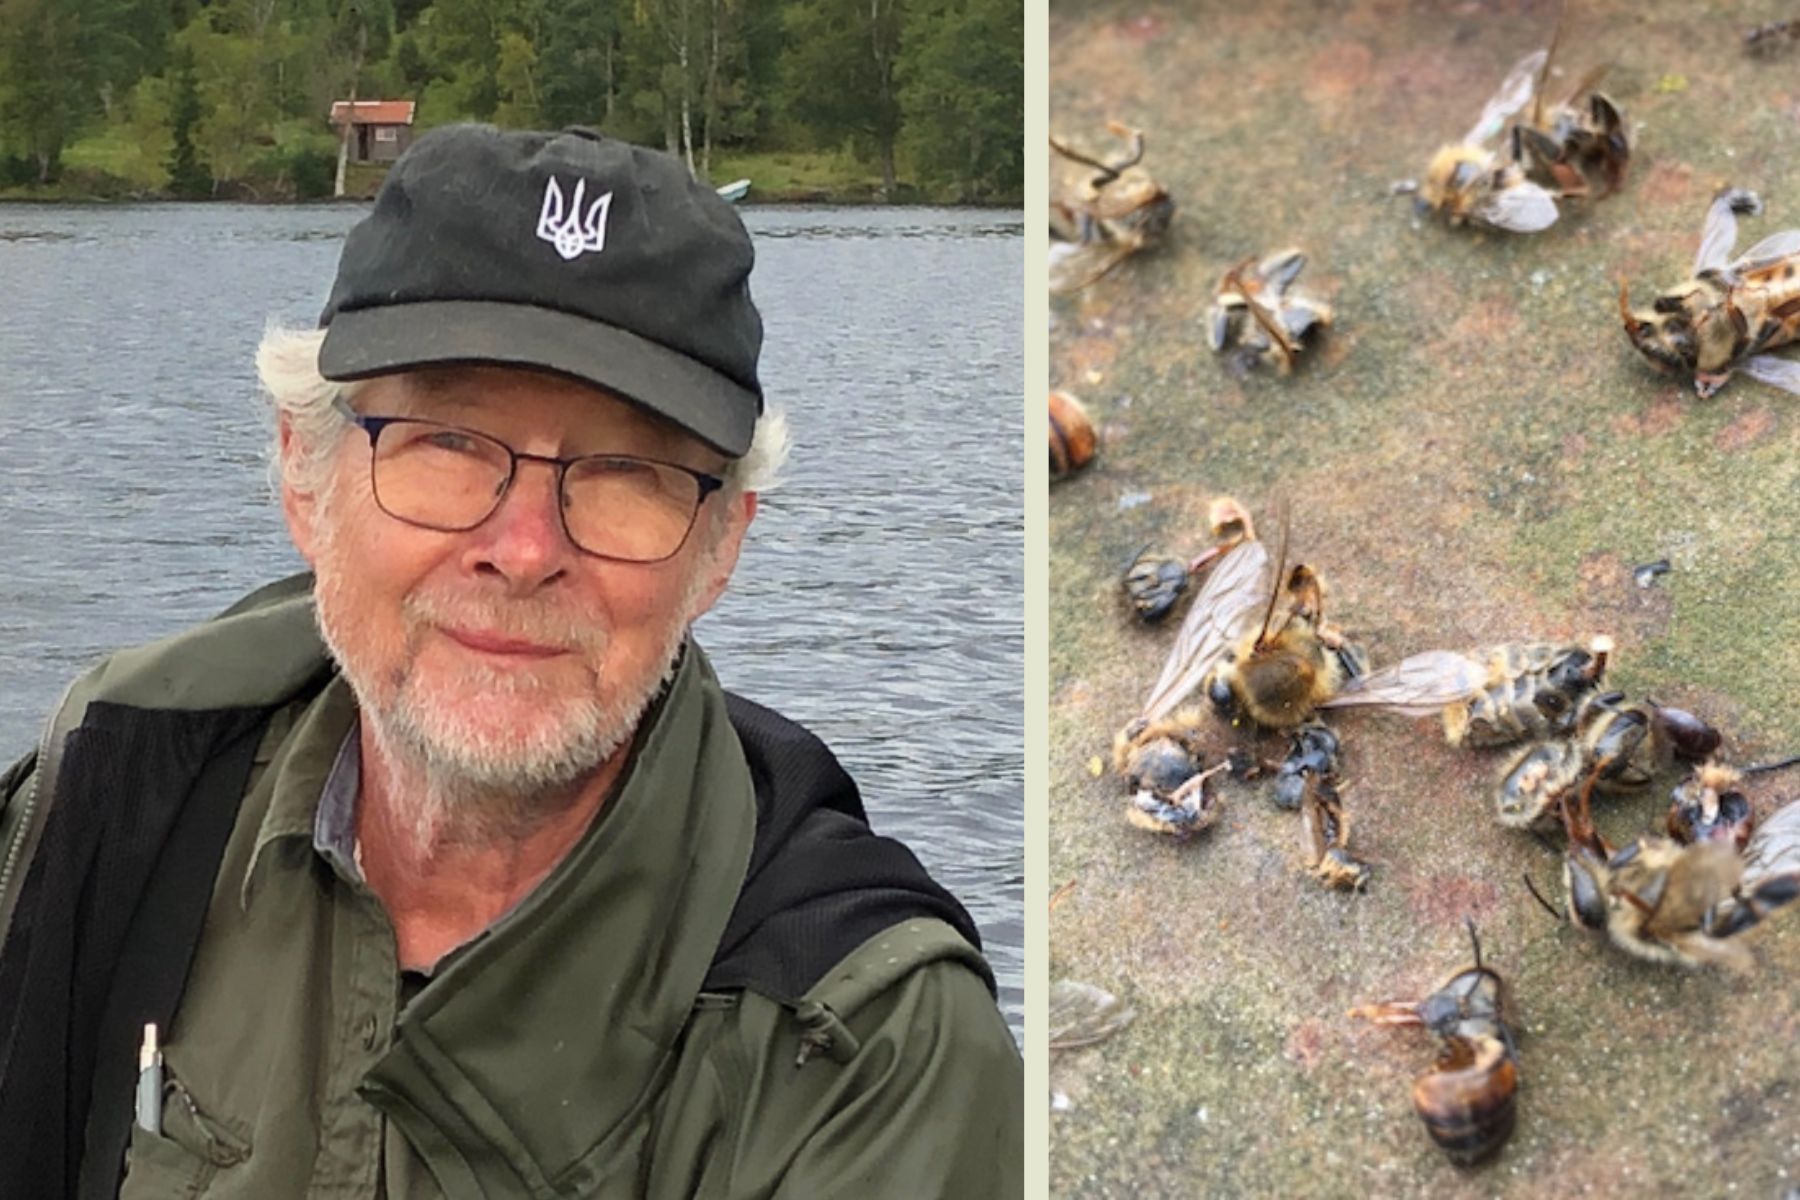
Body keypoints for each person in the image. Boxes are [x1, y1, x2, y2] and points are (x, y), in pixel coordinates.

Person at [0, 124, 1021, 1198]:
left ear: (721, 546)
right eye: (447, 442)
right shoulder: (110, 800)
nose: (526, 550)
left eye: (625, 468)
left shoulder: (870, 1050)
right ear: (306, 475)